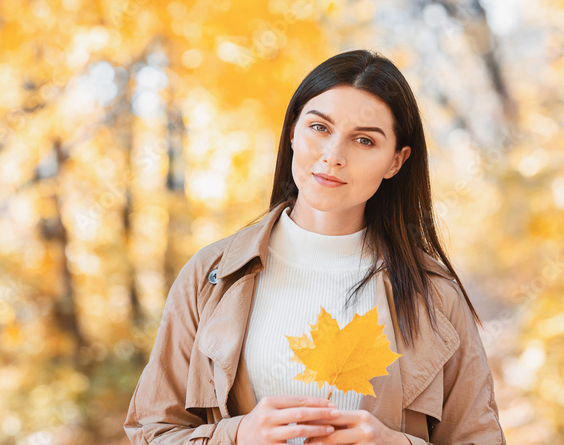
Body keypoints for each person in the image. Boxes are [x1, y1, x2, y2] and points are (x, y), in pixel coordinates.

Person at [123, 49, 505, 444]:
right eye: (319, 128)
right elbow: (150, 432)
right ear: (292, 130)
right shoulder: (210, 276)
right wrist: (236, 436)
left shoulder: (436, 295)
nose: (333, 156)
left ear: (396, 161)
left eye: (364, 140)